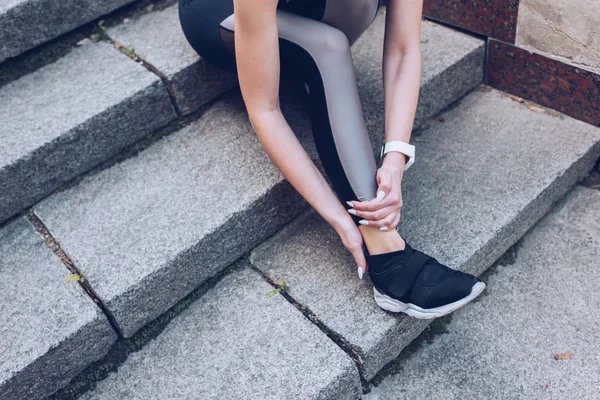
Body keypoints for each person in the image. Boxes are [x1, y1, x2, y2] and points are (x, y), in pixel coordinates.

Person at [178, 0, 485, 319]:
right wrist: (341, 219)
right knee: (329, 46)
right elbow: (264, 110)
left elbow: (404, 51)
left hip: (307, 12)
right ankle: (388, 258)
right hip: (218, 15)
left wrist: (395, 158)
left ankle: (316, 69)